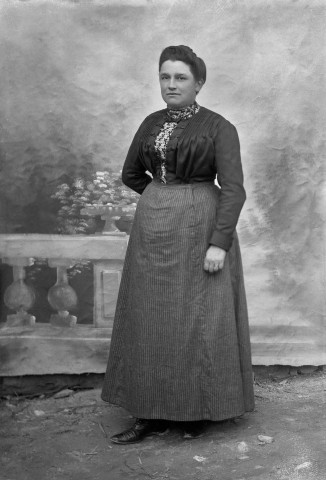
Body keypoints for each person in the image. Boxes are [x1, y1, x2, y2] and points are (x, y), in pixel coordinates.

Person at [101, 45, 255, 444]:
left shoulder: (220, 127)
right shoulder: (151, 122)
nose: (171, 84)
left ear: (199, 82)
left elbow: (234, 190)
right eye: (165, 77)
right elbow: (131, 173)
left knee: (195, 318)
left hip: (201, 222)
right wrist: (159, 197)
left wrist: (218, 243)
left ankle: (194, 410)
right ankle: (147, 412)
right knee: (148, 318)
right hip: (153, 226)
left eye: (181, 77)